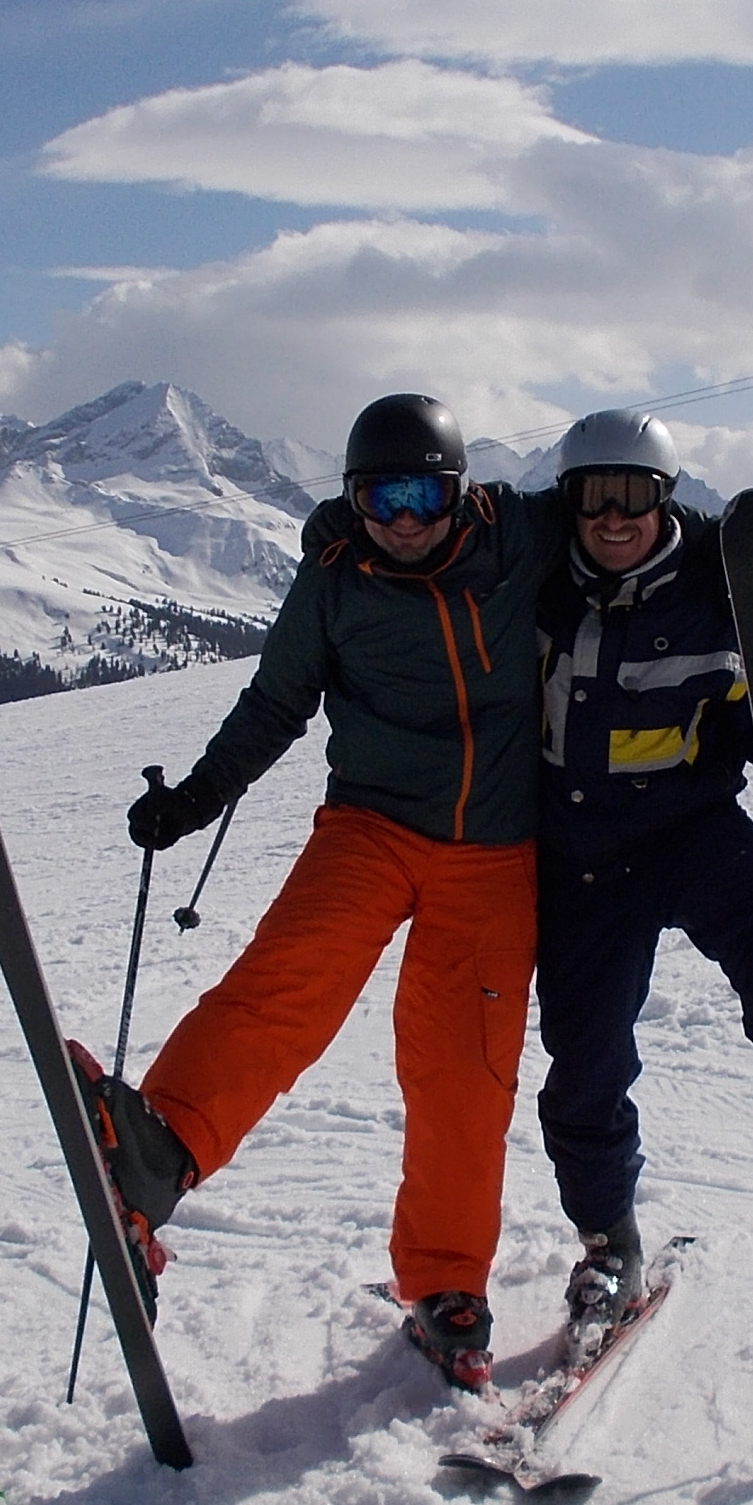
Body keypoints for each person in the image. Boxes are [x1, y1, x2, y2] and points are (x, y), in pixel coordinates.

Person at [81, 393, 570, 1390]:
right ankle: (154, 1160)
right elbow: (275, 703)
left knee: (462, 1066)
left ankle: (446, 1282)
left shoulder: (524, 533)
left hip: (496, 850)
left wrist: (705, 531)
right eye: (375, 498)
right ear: (349, 503)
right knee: (283, 985)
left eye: (420, 495)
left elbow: (621, 516)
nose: (400, 521)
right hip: (372, 825)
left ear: (459, 493)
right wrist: (198, 799)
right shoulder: (337, 578)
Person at [531, 409, 753, 1332]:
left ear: (665, 497)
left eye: (633, 494)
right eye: (595, 496)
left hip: (687, 824)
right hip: (581, 857)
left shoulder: (712, 591)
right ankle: (609, 1242)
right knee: (586, 1060)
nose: (613, 516)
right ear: (569, 502)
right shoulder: (533, 589)